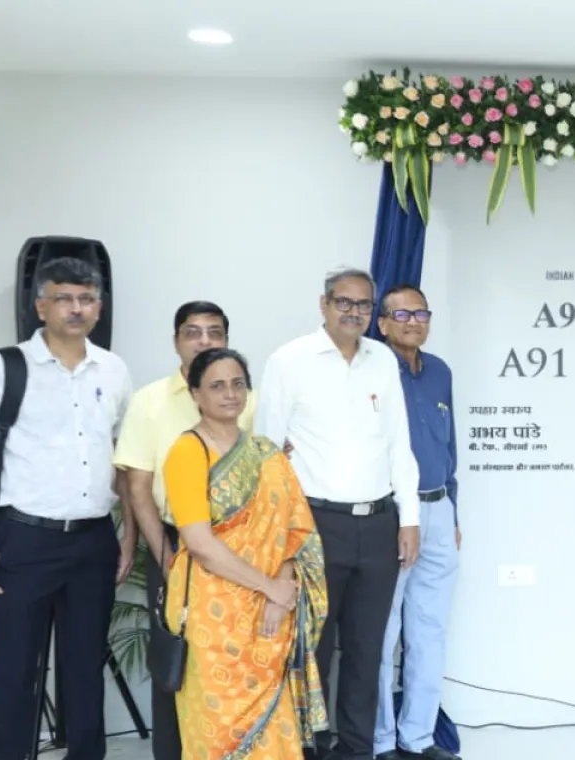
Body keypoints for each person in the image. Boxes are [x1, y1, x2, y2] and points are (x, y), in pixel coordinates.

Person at [0, 257, 132, 760]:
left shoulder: (114, 369)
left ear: (99, 308)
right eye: (64, 298)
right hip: (26, 538)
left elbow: (124, 459)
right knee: (15, 666)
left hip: (94, 539)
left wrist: (129, 536)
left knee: (85, 666)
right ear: (40, 307)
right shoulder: (5, 367)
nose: (76, 309)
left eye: (86, 299)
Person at [258, 267, 423, 760]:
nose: (354, 312)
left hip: (379, 523)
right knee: (312, 647)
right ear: (324, 304)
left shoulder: (382, 360)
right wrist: (281, 538)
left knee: (367, 649)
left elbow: (399, 443)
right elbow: (267, 454)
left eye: (363, 305)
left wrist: (409, 518)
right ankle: (309, 749)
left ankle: (355, 749)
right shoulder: (289, 360)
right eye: (344, 302)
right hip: (317, 525)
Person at [163, 348, 329, 759]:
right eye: (217, 386)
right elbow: (200, 544)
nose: (230, 394)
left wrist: (282, 591)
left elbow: (292, 530)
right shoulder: (187, 452)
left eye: (238, 384)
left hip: (268, 611)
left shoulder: (267, 454)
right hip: (211, 615)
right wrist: (270, 587)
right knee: (217, 726)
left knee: (274, 721)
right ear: (195, 393)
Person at [112, 301, 256, 760]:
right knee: (175, 658)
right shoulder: (150, 400)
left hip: (239, 549)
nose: (204, 341)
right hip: (174, 545)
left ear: (226, 339)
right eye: (193, 332)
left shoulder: (244, 399)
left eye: (214, 332)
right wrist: (165, 557)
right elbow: (137, 487)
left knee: (233, 655)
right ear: (176, 341)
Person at [372, 286, 464, 760]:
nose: (413, 321)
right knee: (381, 632)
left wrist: (453, 511)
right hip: (392, 515)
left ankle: (419, 737)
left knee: (430, 629)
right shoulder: (371, 370)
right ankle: (379, 741)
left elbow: (450, 446)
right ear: (382, 323)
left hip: (438, 509)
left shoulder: (440, 371)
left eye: (421, 313)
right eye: (402, 314)